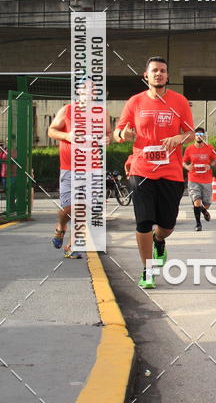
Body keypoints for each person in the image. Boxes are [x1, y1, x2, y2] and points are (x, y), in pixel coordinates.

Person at [114, 56, 195, 288]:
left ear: (168, 76)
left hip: (171, 172)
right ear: (146, 76)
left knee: (167, 225)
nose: (159, 74)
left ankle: (160, 240)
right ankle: (147, 271)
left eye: (163, 71)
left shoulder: (179, 102)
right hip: (142, 171)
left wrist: (179, 137)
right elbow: (118, 132)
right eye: (154, 71)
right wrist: (123, 135)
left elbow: (192, 134)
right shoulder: (135, 102)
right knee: (143, 222)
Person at [48, 84, 111, 258]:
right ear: (79, 91)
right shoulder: (67, 110)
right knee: (69, 207)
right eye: (85, 88)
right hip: (70, 168)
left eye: (93, 89)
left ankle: (72, 246)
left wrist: (107, 139)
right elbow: (51, 131)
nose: (89, 91)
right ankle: (61, 226)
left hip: (93, 169)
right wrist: (67, 136)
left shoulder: (102, 113)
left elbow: (109, 134)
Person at [182, 126, 216, 231]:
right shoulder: (189, 149)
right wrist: (187, 166)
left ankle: (203, 210)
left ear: (204, 136)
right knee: (197, 201)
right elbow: (184, 162)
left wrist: (210, 166)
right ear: (194, 136)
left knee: (207, 203)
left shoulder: (209, 148)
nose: (199, 137)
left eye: (201, 135)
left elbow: (215, 160)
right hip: (193, 178)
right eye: (197, 135)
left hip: (206, 179)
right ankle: (198, 224)